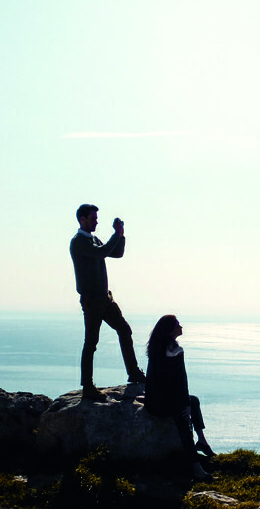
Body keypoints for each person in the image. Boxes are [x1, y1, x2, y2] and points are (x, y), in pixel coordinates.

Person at [70, 204, 145, 401]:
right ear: (82, 219)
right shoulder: (79, 242)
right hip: (92, 301)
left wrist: (120, 235)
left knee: (124, 330)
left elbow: (116, 253)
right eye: (93, 218)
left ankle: (134, 373)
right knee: (91, 343)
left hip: (105, 298)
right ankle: (87, 387)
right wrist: (115, 235)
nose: (96, 221)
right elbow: (101, 253)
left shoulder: (93, 239)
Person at [143, 315, 216, 480]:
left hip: (154, 401)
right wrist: (184, 404)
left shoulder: (156, 348)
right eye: (178, 325)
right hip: (164, 403)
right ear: (171, 330)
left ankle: (202, 441)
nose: (181, 327)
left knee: (194, 400)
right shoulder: (175, 351)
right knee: (183, 418)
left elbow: (162, 383)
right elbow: (180, 380)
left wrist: (186, 402)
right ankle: (196, 469)